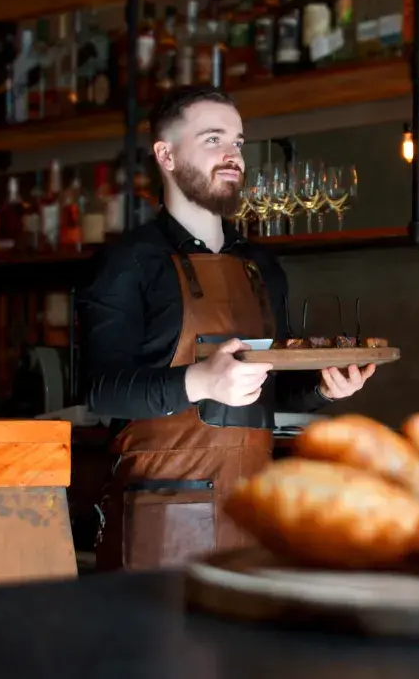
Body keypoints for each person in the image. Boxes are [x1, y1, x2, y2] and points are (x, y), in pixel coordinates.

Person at [77, 85, 376, 572]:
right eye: (214, 139)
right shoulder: (127, 262)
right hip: (161, 520)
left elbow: (267, 392)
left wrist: (322, 387)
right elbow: (103, 390)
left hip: (253, 509)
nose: (234, 155)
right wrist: (201, 381)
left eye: (238, 142)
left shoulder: (261, 266)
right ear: (166, 154)